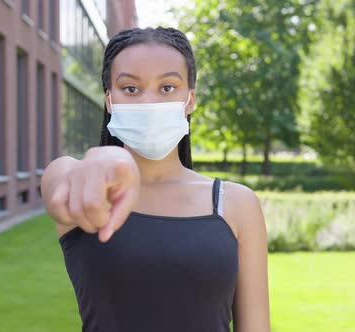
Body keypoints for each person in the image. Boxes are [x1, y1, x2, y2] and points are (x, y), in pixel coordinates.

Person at [41, 27, 270, 332]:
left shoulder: (236, 203)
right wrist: (111, 161)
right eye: (131, 89)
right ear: (109, 100)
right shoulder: (79, 182)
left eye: (167, 88)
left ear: (190, 100)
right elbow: (62, 187)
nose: (148, 102)